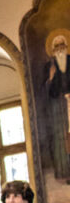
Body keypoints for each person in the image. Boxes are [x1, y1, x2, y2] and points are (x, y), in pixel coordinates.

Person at [44, 33, 70, 182]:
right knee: (63, 139)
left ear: (66, 46)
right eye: (57, 46)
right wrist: (51, 78)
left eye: (62, 45)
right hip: (59, 108)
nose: (60, 49)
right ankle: (66, 171)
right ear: (53, 50)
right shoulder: (50, 66)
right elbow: (48, 92)